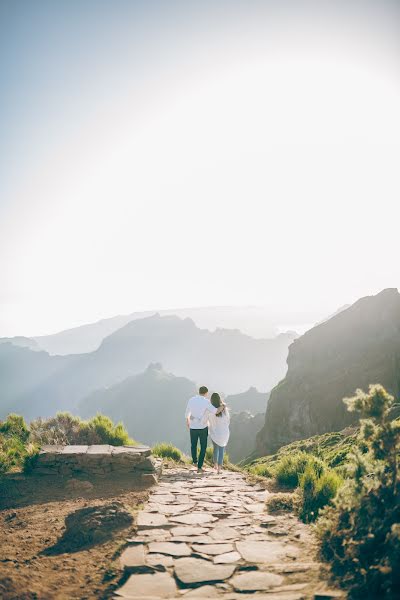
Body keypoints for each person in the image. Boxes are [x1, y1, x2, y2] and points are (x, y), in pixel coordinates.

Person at [185, 386, 222, 473]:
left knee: (193, 445)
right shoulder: (206, 401)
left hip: (193, 427)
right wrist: (223, 407)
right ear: (206, 393)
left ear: (199, 392)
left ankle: (195, 462)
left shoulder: (191, 400)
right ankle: (199, 467)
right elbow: (216, 411)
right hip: (202, 428)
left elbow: (187, 413)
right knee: (203, 447)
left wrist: (188, 422)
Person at [208, 392, 230, 473]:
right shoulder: (224, 409)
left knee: (215, 449)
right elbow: (228, 420)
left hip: (214, 432)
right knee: (221, 450)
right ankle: (219, 469)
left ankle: (215, 465)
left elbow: (208, 420)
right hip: (224, 432)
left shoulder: (210, 410)